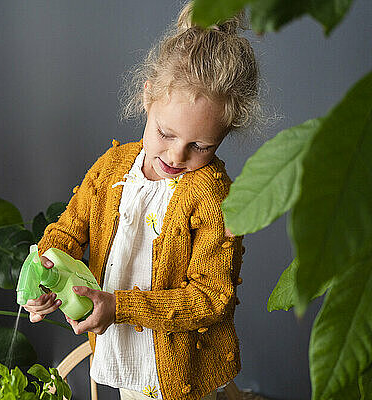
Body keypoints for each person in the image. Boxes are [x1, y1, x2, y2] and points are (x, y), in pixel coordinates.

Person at [23, 2, 260, 399]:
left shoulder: (212, 197)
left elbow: (212, 298)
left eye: (200, 146)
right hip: (123, 353)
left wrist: (120, 308)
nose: (177, 157)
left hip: (182, 367)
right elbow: (69, 229)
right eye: (166, 134)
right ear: (148, 97)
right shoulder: (113, 166)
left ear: (224, 135)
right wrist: (46, 269)